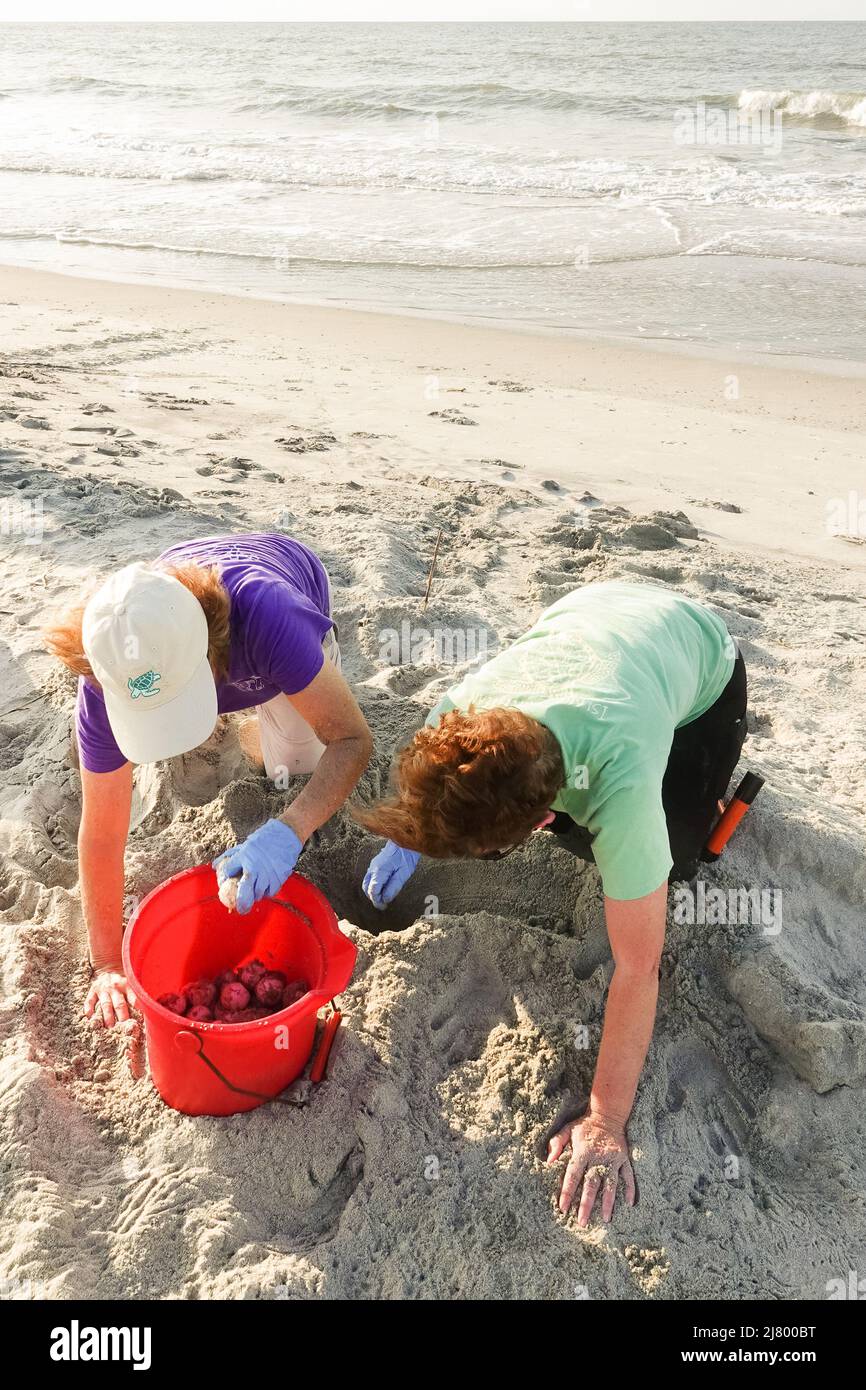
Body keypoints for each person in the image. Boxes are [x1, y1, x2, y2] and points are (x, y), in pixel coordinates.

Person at [355, 580, 748, 1227]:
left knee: (673, 858)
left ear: (539, 818)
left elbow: (638, 966)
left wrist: (606, 1119)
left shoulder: (619, 782)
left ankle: (700, 803)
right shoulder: (462, 714)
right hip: (598, 608)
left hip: (701, 662)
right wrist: (408, 832)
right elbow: (436, 760)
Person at [45, 532, 372, 1030]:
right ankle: (260, 725)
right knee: (280, 749)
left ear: (212, 648)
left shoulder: (268, 616)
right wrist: (108, 964)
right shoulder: (107, 677)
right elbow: (103, 833)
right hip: (184, 638)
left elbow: (352, 739)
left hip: (285, 580)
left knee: (301, 763)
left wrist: (291, 828)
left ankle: (271, 717)